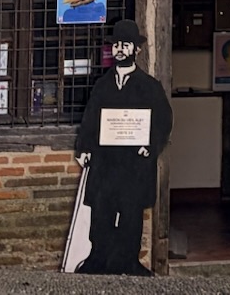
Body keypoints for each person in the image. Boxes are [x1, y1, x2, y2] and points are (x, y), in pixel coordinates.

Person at [66, 19, 171, 276]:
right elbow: (90, 119)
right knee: (101, 211)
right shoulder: (102, 85)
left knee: (130, 212)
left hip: (133, 163)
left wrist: (150, 146)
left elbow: (163, 121)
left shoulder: (149, 87)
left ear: (136, 49)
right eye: (116, 45)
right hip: (106, 161)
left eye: (125, 45)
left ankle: (128, 261)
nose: (120, 50)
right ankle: (98, 259)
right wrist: (84, 148)